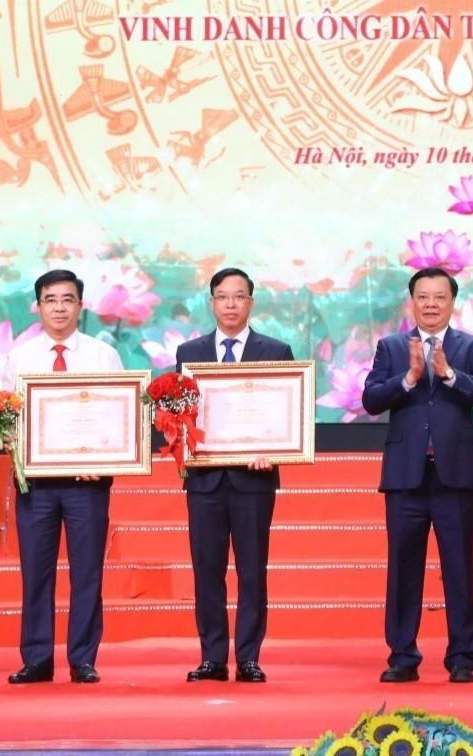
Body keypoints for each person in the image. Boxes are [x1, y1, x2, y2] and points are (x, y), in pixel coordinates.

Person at [361, 266, 473, 683]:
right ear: (412, 302)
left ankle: (462, 658)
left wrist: (450, 375)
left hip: (455, 476)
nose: (431, 304)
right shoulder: (391, 347)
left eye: (440, 297)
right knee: (403, 570)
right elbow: (371, 400)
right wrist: (408, 379)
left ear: (452, 302)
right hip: (406, 476)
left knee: (459, 570)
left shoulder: (472, 347)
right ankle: (403, 656)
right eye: (423, 297)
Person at [172, 267, 294, 684]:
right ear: (211, 303)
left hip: (253, 479)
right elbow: (181, 415)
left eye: (238, 296)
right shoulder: (189, 353)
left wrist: (274, 450)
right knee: (206, 569)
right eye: (222, 297)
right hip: (204, 479)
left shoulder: (275, 351)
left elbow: (285, 413)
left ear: (250, 303)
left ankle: (248, 658)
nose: (230, 304)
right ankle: (212, 657)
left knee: (252, 571)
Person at [6, 269, 124, 685]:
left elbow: (121, 415)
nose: (59, 308)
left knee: (87, 572)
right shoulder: (20, 357)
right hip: (36, 485)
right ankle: (37, 658)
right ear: (38, 306)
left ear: (80, 305)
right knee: (35, 572)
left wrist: (105, 457)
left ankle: (83, 658)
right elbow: (5, 414)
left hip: (86, 483)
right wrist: (10, 441)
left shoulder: (102, 356)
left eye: (67, 299)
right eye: (50, 300)